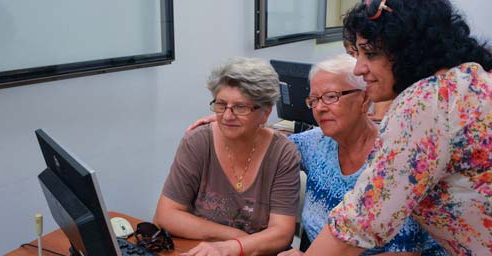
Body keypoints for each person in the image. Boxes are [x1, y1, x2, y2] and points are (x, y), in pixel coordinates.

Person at [306, 0, 492, 255]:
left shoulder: (429, 101)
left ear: (409, 48)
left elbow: (359, 223)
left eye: (370, 53)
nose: (359, 68)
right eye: (356, 54)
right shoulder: (475, 78)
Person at [185, 55, 446, 256]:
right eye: (314, 99)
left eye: (331, 97)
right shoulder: (315, 143)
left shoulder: (395, 156)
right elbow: (271, 142)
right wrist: (233, 122)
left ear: (365, 99)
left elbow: (407, 251)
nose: (320, 108)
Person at [155, 57, 301, 256]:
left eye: (240, 107)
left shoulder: (283, 153)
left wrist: (231, 247)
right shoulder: (198, 141)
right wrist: (234, 236)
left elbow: (281, 233)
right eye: (221, 105)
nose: (227, 116)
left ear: (265, 113)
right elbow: (166, 215)